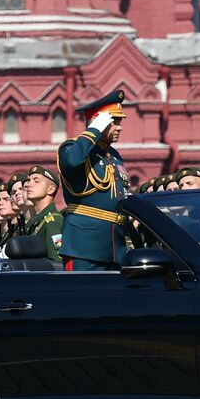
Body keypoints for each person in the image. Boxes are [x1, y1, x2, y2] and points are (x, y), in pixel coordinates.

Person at [57, 90, 130, 271]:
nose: (119, 127)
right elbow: (72, 162)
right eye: (114, 122)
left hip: (114, 246)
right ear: (99, 122)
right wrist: (94, 130)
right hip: (84, 246)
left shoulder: (113, 155)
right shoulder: (73, 148)